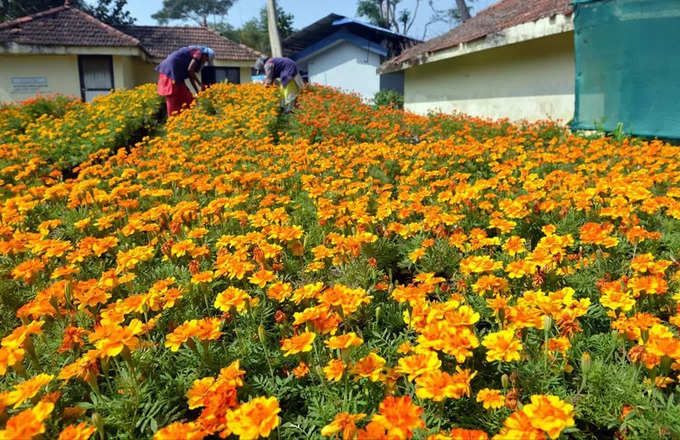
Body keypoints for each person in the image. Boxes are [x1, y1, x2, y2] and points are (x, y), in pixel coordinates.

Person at [156, 46, 215, 116]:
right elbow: (190, 70)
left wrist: (198, 91)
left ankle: (188, 118)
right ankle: (172, 120)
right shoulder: (199, 52)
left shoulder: (197, 57)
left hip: (177, 76)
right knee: (173, 96)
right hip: (170, 72)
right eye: (206, 60)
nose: (205, 62)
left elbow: (191, 76)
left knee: (187, 98)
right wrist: (200, 84)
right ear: (205, 54)